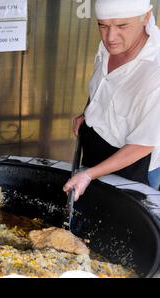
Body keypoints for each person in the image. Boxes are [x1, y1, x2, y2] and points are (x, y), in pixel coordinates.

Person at [64, 0, 160, 201]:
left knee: (126, 219)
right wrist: (88, 111)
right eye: (103, 25)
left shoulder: (155, 72)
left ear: (147, 17)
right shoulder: (108, 47)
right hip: (94, 148)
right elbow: (103, 85)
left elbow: (142, 145)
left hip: (132, 162)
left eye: (122, 26)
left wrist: (89, 174)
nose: (110, 37)